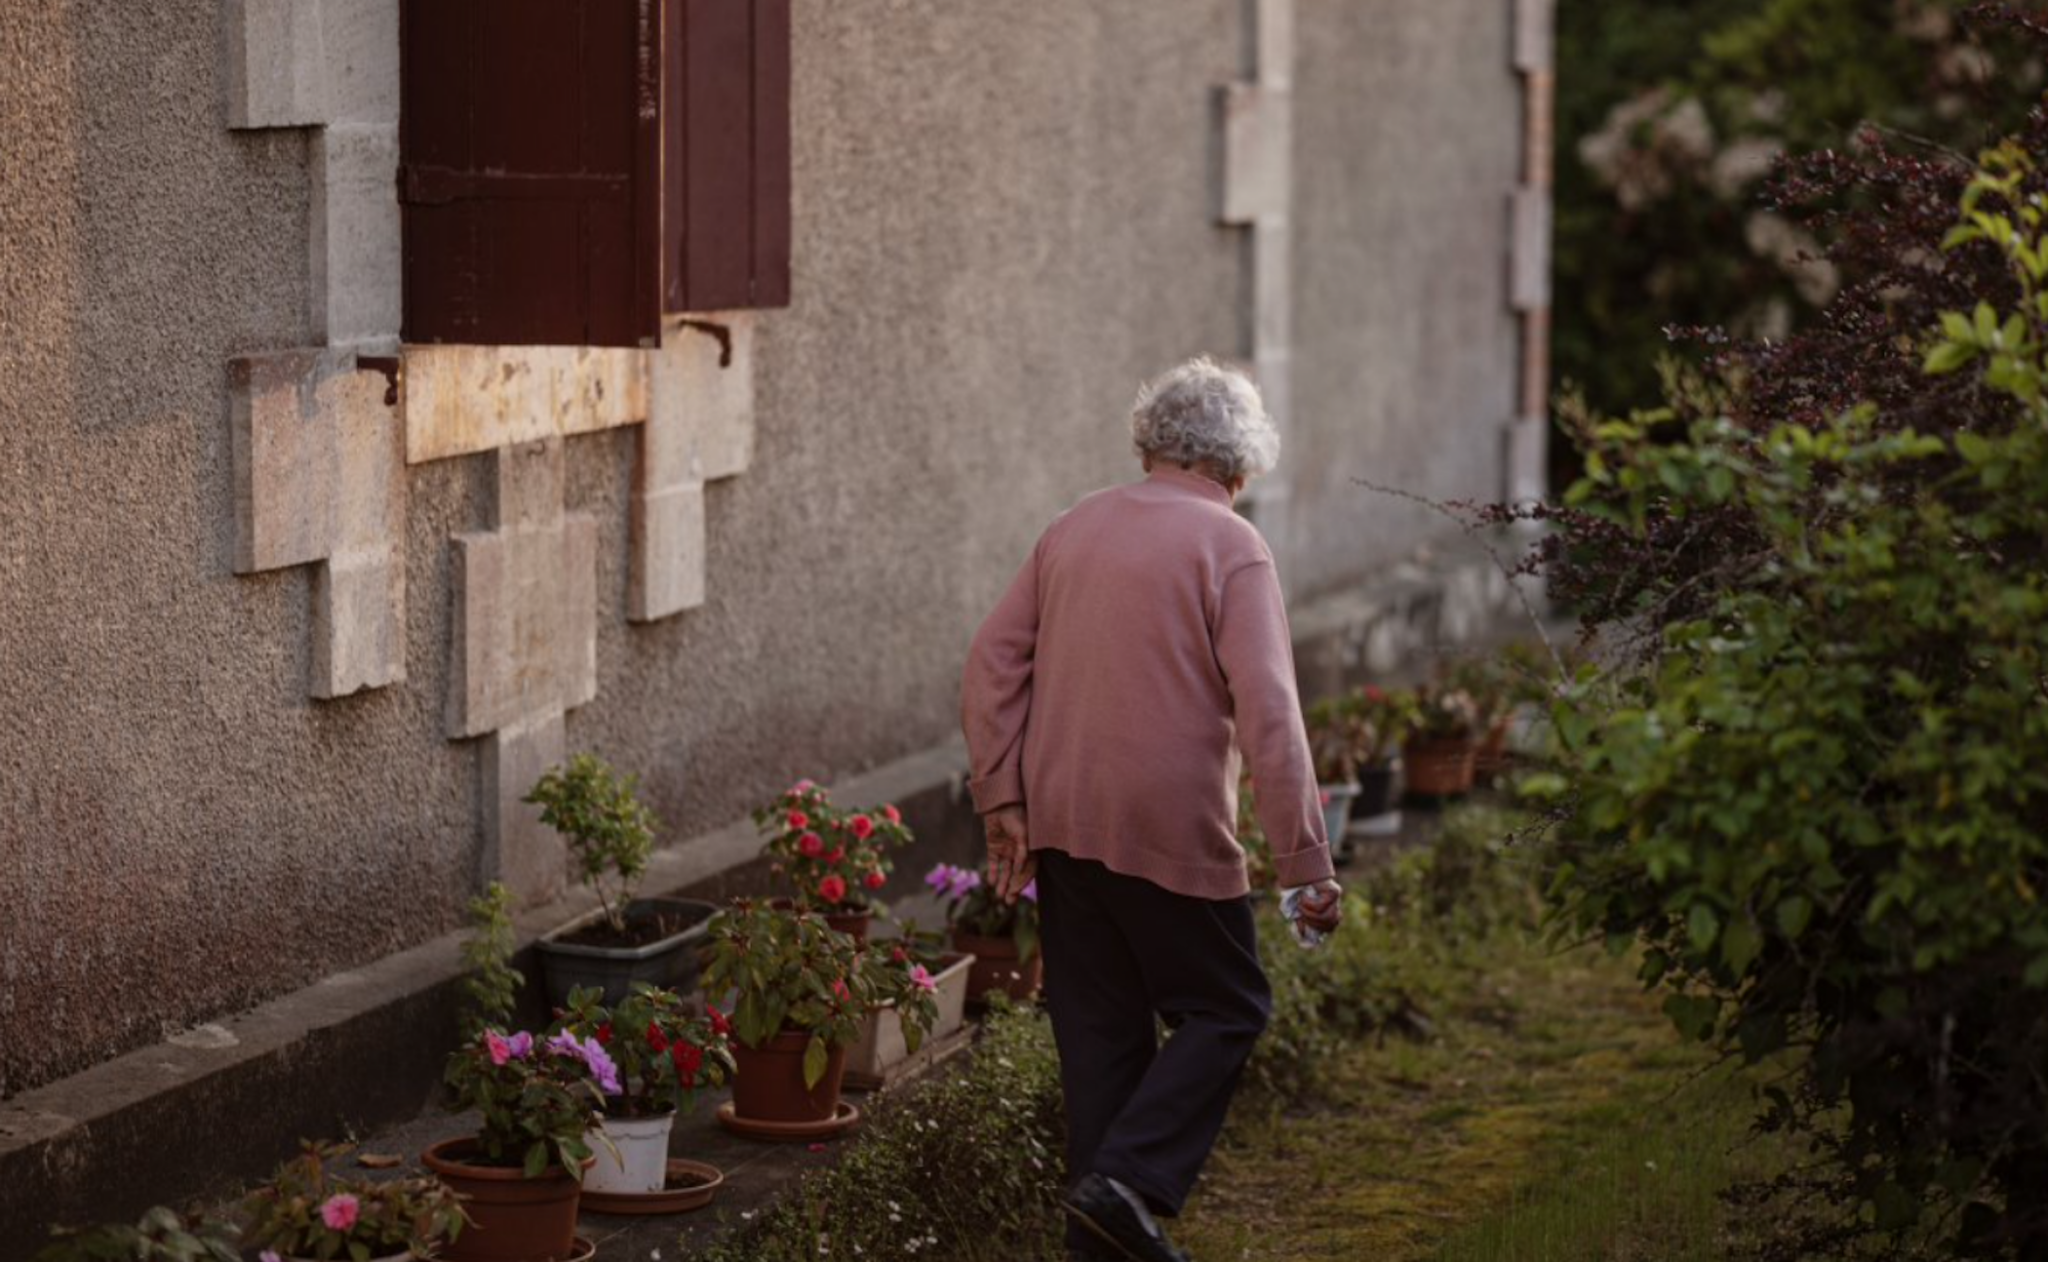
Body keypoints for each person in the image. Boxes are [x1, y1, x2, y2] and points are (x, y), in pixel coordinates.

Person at [960, 357, 1343, 1262]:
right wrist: (1305, 863)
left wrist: (1002, 797)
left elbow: (990, 661)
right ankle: (1126, 1183)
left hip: (1065, 820)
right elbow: (1271, 713)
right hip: (1169, 829)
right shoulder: (1232, 545)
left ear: (1150, 447)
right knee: (1228, 1007)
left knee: (1102, 1048)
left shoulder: (1073, 527)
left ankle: (1100, 1233)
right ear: (1238, 464)